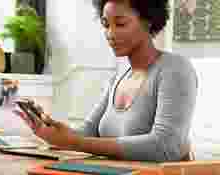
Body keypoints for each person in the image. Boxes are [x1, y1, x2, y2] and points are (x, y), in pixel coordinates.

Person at [17, 0, 198, 162]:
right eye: (105, 24)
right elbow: (89, 132)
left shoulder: (175, 69)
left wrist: (75, 142)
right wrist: (50, 131)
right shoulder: (119, 77)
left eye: (120, 24)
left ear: (148, 21)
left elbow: (166, 146)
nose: (110, 33)